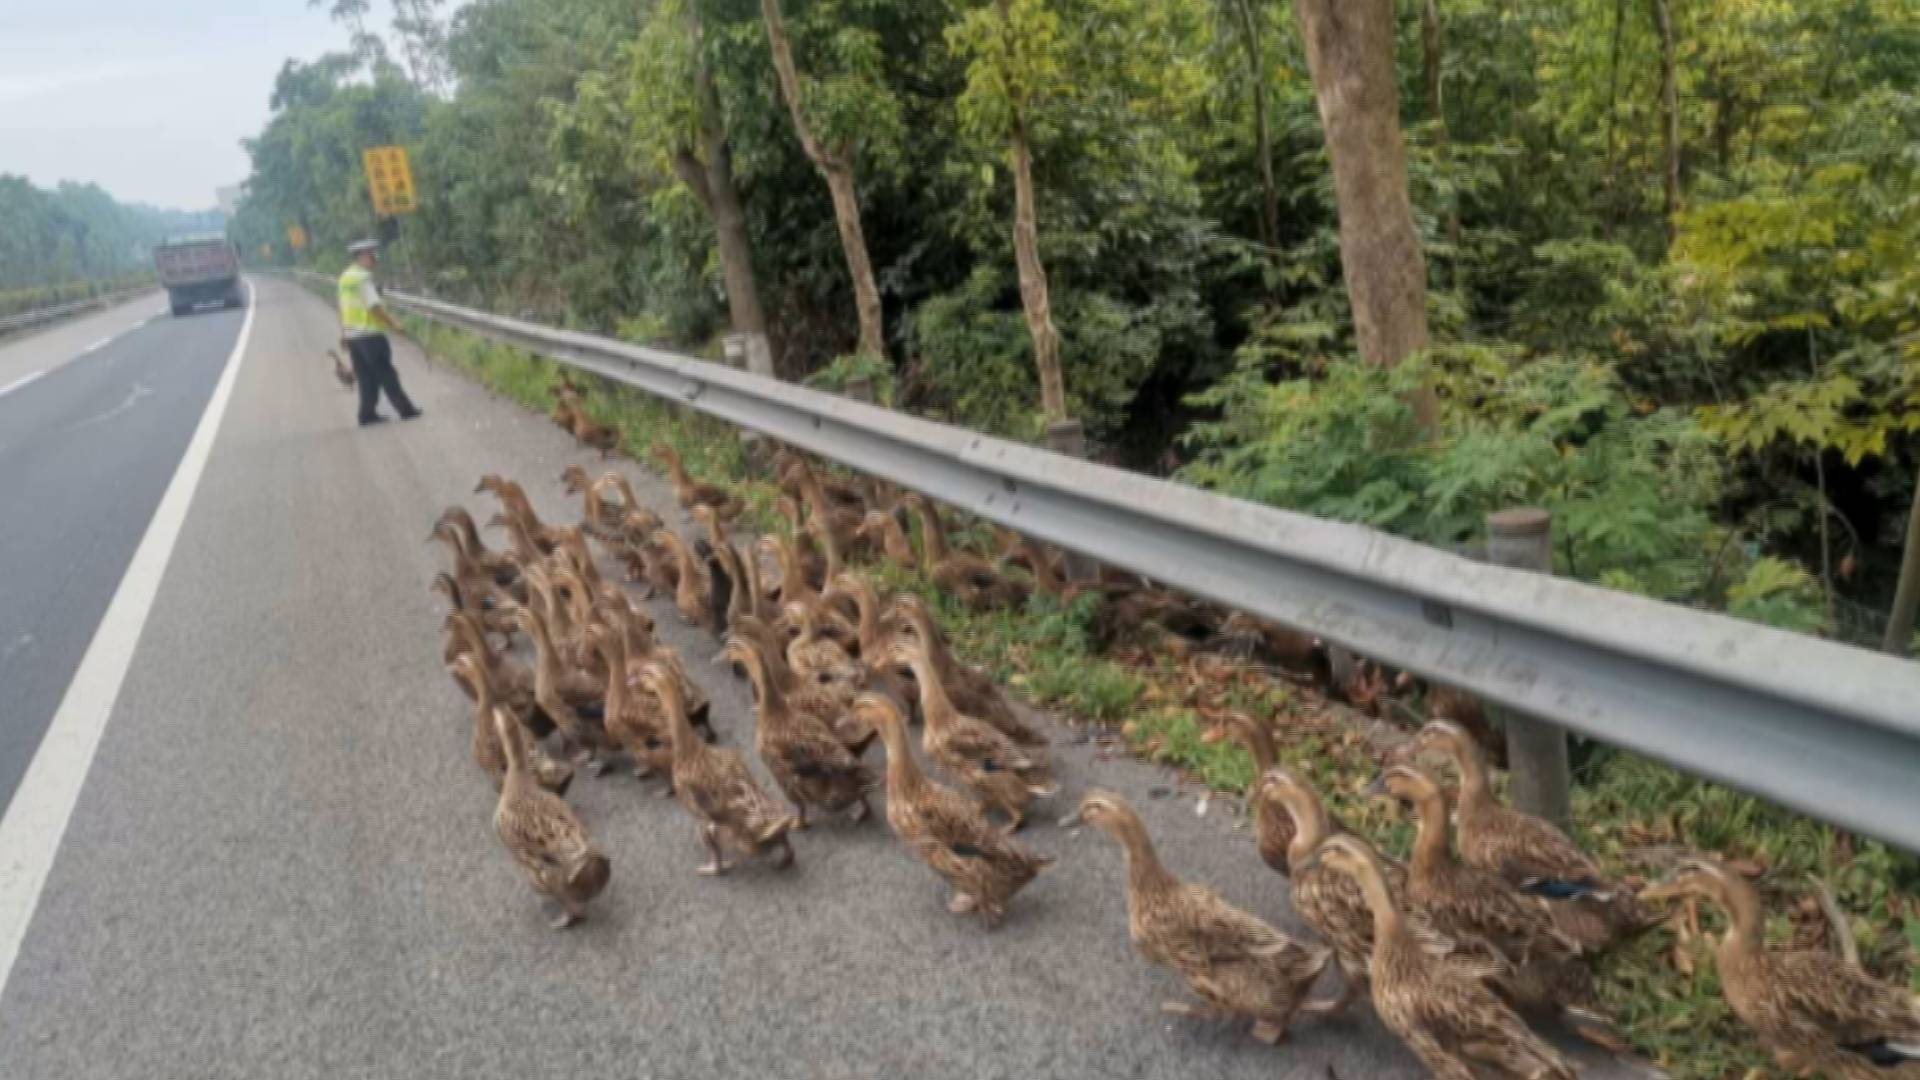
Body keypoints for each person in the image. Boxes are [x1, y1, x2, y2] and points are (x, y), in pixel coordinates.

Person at [338, 240, 422, 426]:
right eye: (371, 255)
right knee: (387, 374)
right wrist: (394, 324)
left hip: (354, 337)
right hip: (370, 336)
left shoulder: (346, 277)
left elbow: (344, 308)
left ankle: (366, 415)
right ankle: (406, 410)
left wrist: (344, 333)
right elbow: (374, 307)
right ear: (361, 257)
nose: (375, 259)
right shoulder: (362, 278)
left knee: (366, 378)